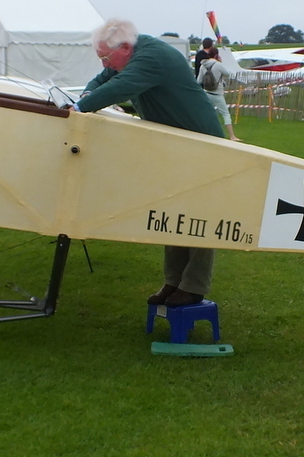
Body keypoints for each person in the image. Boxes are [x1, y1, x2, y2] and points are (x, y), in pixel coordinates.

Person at [77, 19, 224, 308]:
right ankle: (173, 281)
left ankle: (194, 287)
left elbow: (122, 85)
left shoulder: (151, 57)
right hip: (177, 147)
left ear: (125, 48)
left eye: (106, 57)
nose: (106, 64)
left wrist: (79, 107)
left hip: (203, 145)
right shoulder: (134, 55)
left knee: (200, 215)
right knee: (175, 212)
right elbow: (106, 78)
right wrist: (86, 92)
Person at [197, 47, 239, 141]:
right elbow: (227, 74)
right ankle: (232, 136)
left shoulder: (203, 65)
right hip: (217, 93)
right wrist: (220, 62)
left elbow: (199, 80)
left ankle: (205, 132)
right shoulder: (218, 65)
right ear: (216, 55)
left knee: (207, 113)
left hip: (206, 92)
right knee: (225, 114)